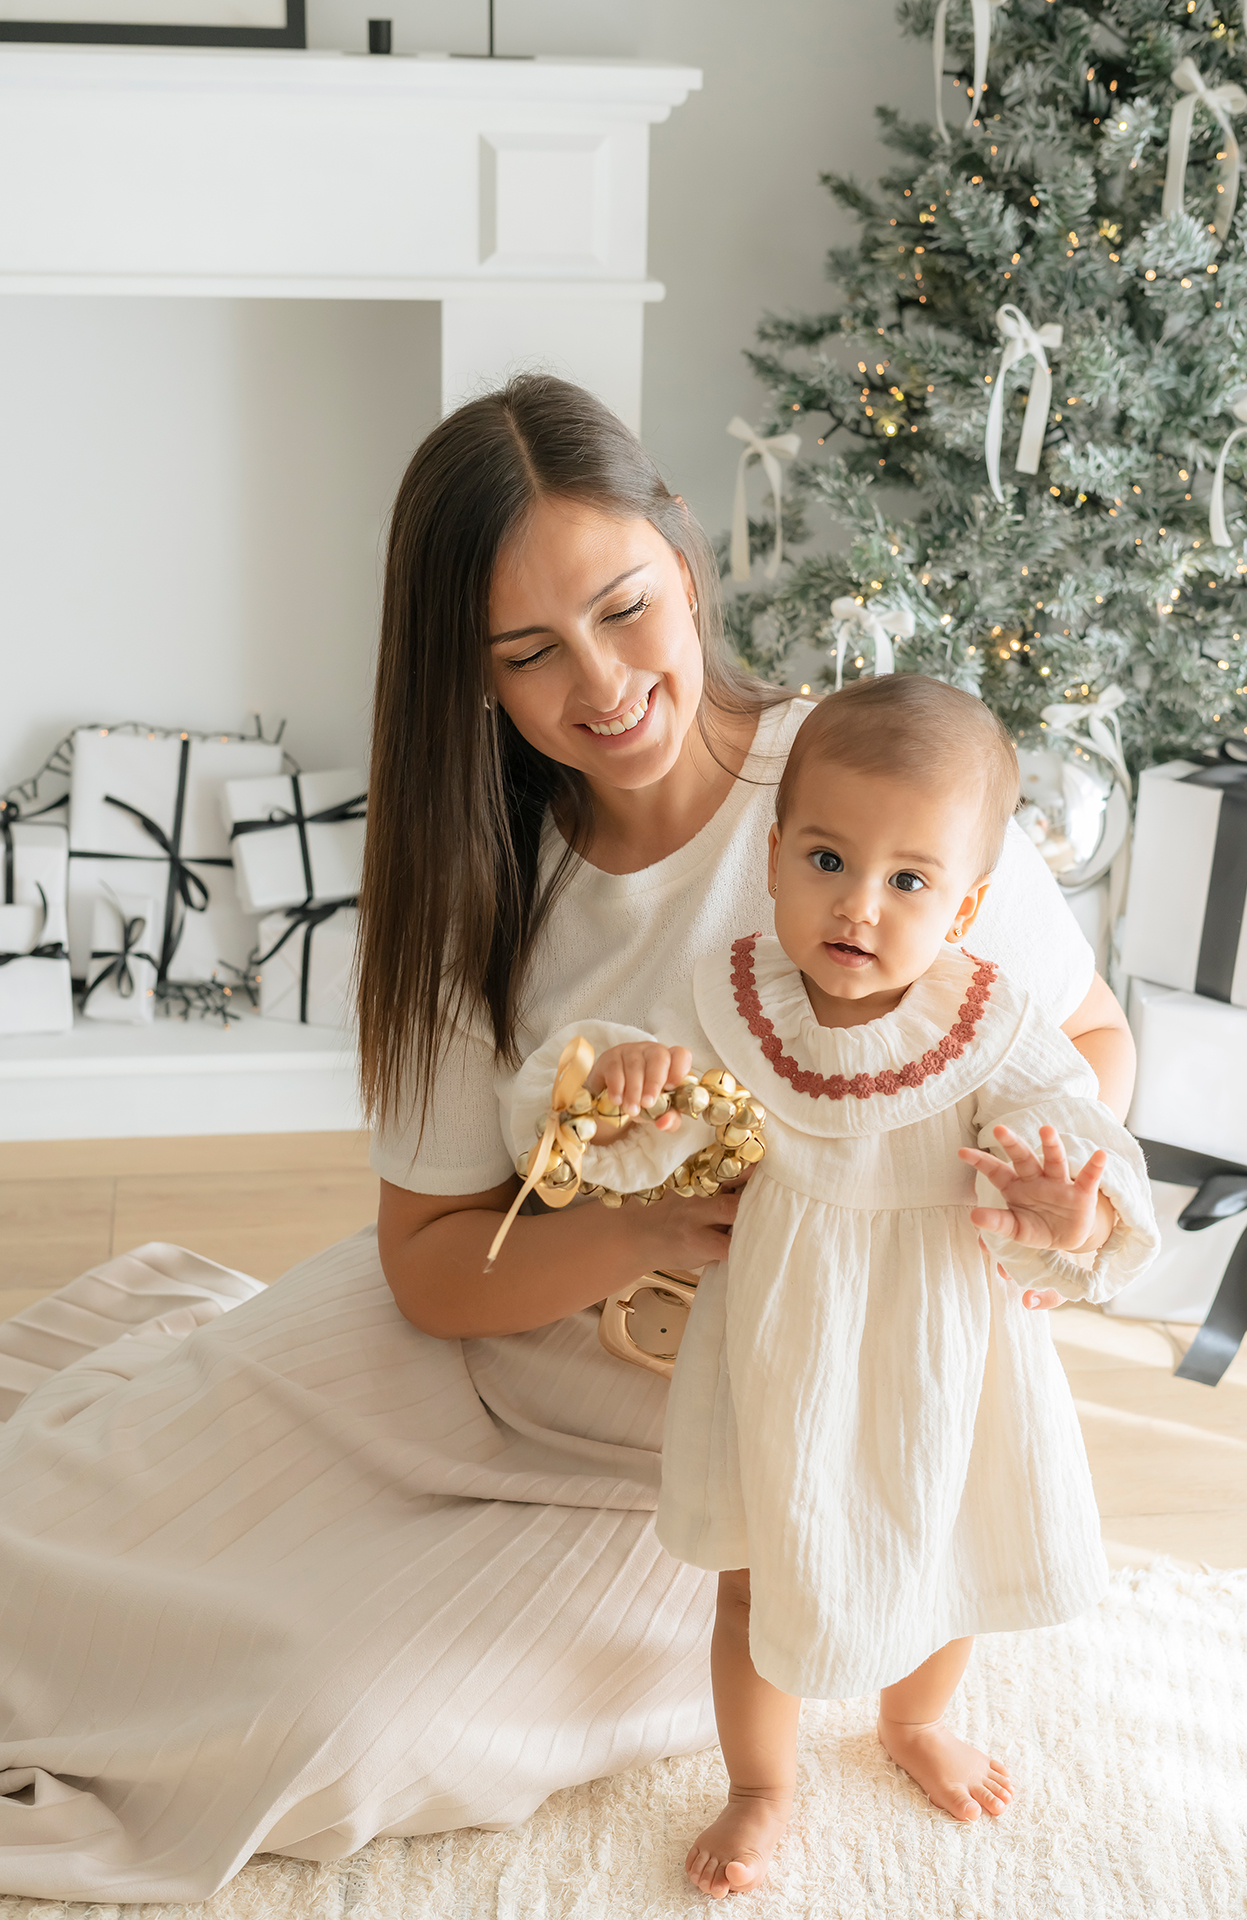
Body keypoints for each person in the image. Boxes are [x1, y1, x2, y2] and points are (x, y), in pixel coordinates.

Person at [0, 378, 1135, 1902]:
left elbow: (1083, 1042)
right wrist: (655, 1226)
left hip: (697, 1450)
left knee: (325, 1721)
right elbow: (430, 1264)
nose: (598, 683)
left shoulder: (873, 783)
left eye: (621, 608)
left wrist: (1027, 1200)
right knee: (71, 1561)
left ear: (686, 557)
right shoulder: (484, 879)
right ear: (467, 678)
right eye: (527, 654)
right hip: (472, 1355)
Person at [502, 676, 1157, 1900]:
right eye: (825, 859)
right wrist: (627, 1083)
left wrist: (1075, 1205)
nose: (858, 905)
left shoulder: (992, 1022)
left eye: (908, 882)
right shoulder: (722, 997)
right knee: (751, 1573)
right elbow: (628, 1142)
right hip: (773, 1354)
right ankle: (759, 1782)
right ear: (772, 855)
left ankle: (913, 1720)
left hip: (938, 1351)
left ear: (964, 903)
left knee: (952, 1541)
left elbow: (1076, 1135)